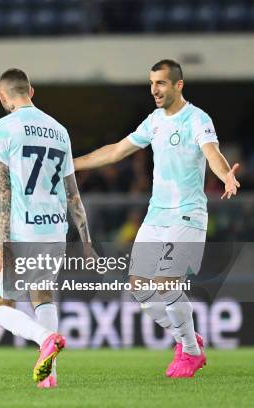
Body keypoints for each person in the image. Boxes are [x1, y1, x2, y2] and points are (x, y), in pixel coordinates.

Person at [73, 59, 240, 378]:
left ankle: (190, 352)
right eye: (152, 83)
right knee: (138, 287)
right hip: (156, 214)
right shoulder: (154, 120)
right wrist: (72, 163)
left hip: (187, 214)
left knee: (166, 280)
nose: (154, 89)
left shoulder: (196, 118)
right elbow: (115, 151)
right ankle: (188, 338)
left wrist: (225, 176)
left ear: (178, 85)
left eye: (161, 83)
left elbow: (212, 152)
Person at [0, 68, 93, 389]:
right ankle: (51, 377)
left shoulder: (1, 129)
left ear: (3, 97)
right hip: (55, 230)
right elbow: (73, 192)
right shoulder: (59, 130)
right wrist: (86, 241)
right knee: (42, 294)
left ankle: (44, 337)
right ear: (31, 91)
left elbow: (2, 188)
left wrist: (3, 240)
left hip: (22, 230)